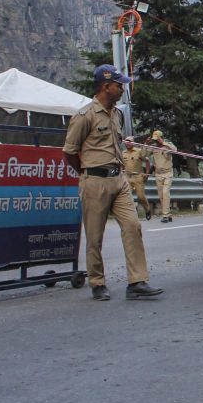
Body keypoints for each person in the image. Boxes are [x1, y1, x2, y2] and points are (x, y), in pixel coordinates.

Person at [62, 65, 163, 301]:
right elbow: (69, 151)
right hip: (94, 180)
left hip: (119, 179)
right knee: (95, 236)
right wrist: (87, 173)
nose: (122, 89)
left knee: (132, 226)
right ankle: (97, 283)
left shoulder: (117, 114)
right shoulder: (84, 116)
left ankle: (137, 281)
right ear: (106, 87)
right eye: (119, 85)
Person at [148, 129, 176, 223]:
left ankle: (165, 216)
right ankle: (168, 214)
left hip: (168, 174)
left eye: (157, 139)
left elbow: (175, 150)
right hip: (158, 174)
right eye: (154, 139)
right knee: (161, 196)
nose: (156, 141)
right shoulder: (154, 147)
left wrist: (164, 143)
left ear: (161, 137)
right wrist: (146, 143)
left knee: (165, 193)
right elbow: (144, 154)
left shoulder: (168, 145)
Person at [122, 136, 152, 221]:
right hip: (127, 177)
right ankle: (131, 214)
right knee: (127, 196)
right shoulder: (123, 153)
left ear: (133, 143)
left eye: (129, 141)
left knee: (141, 197)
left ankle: (147, 210)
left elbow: (147, 160)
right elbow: (121, 165)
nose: (127, 143)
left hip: (138, 177)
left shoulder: (139, 151)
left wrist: (147, 173)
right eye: (126, 142)